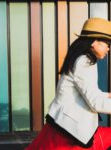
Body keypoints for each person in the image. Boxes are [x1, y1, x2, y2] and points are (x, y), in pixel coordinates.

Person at [25, 18, 111, 150]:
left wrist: (107, 95)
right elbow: (95, 102)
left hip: (65, 126)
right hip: (69, 134)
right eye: (107, 43)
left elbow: (89, 92)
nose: (108, 49)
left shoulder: (82, 58)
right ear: (94, 42)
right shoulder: (85, 62)